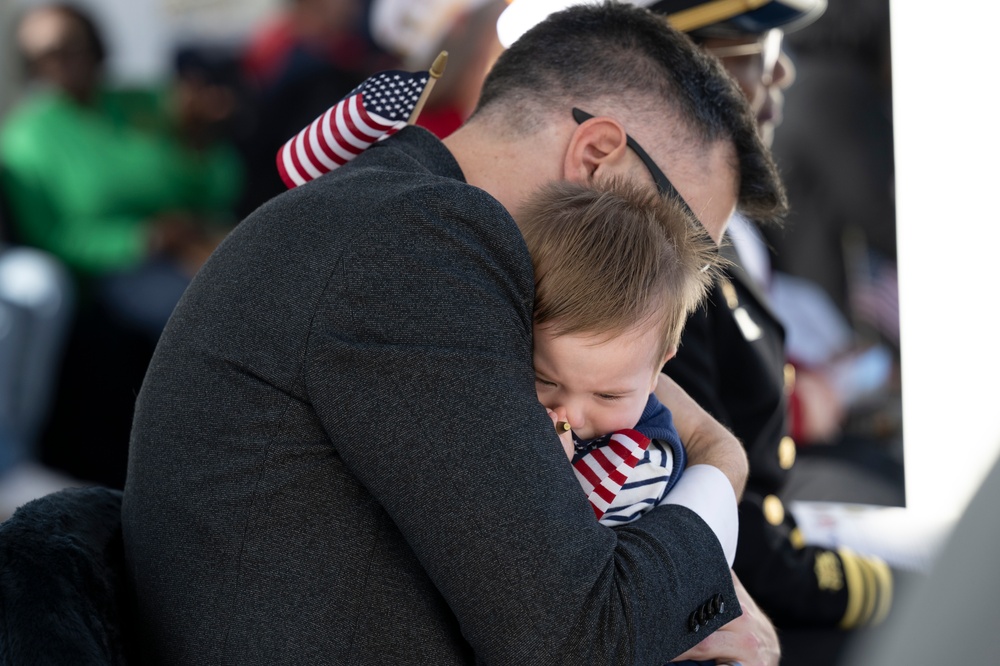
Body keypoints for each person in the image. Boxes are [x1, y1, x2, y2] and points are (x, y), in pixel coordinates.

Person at [122, 3, 787, 663]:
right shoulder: (420, 240)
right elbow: (583, 640)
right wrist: (719, 464)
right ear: (596, 156)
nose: (680, 285)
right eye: (684, 242)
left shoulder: (399, 217)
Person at [644, 0, 896, 653]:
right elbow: (731, 525)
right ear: (685, 73)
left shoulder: (717, 230)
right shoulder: (661, 249)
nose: (780, 72)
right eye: (750, 53)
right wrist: (876, 586)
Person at [517, 179, 720, 526]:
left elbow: (561, 552)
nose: (571, 415)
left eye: (608, 395)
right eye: (544, 379)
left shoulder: (636, 468)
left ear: (658, 371)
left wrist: (554, 472)